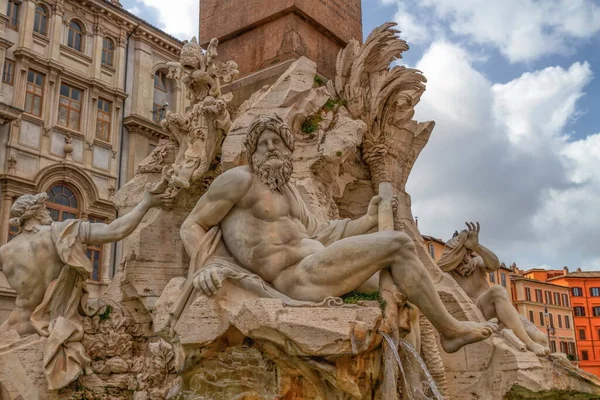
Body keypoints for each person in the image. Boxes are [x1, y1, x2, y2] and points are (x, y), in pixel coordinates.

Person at [179, 115, 498, 354]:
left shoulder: (289, 191)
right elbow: (191, 224)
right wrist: (206, 265)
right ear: (252, 150)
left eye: (277, 141)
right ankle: (451, 331)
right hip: (295, 279)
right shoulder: (238, 181)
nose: (270, 147)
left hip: (317, 265)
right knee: (399, 245)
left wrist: (368, 220)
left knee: (406, 303)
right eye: (263, 142)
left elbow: (320, 232)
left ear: (289, 149)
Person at [0, 186, 168, 389]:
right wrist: (146, 203)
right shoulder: (63, 232)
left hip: (15, 331)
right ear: (36, 213)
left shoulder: (5, 251)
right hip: (56, 330)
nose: (49, 213)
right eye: (45, 209)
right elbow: (116, 230)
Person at [438, 222, 550, 356]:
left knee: (542, 339)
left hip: (501, 310)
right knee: (497, 290)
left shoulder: (477, 262)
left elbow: (495, 264)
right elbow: (438, 268)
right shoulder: (447, 272)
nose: (467, 256)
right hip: (478, 312)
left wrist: (477, 247)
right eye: (463, 251)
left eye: (468, 252)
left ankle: (536, 346)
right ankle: (530, 343)